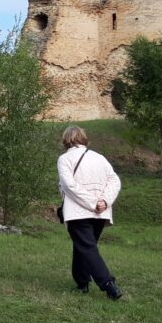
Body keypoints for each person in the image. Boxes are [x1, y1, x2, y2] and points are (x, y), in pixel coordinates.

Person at [56, 125, 123, 300]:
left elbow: (69, 186)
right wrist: (104, 202)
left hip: (79, 211)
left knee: (87, 248)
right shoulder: (99, 158)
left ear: (66, 140)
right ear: (83, 138)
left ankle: (108, 284)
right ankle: (82, 282)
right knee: (84, 247)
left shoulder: (64, 159)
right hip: (100, 213)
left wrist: (95, 203)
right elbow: (114, 180)